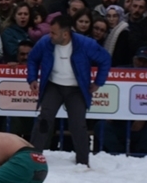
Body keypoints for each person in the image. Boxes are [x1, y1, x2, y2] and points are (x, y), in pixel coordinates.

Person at [27, 14, 111, 167]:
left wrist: (99, 82)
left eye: (53, 33)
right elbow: (32, 58)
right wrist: (32, 78)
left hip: (76, 89)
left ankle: (83, 161)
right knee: (44, 120)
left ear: (65, 34)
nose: (49, 35)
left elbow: (105, 59)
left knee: (78, 124)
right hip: (53, 86)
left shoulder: (86, 44)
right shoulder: (45, 42)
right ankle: (33, 157)